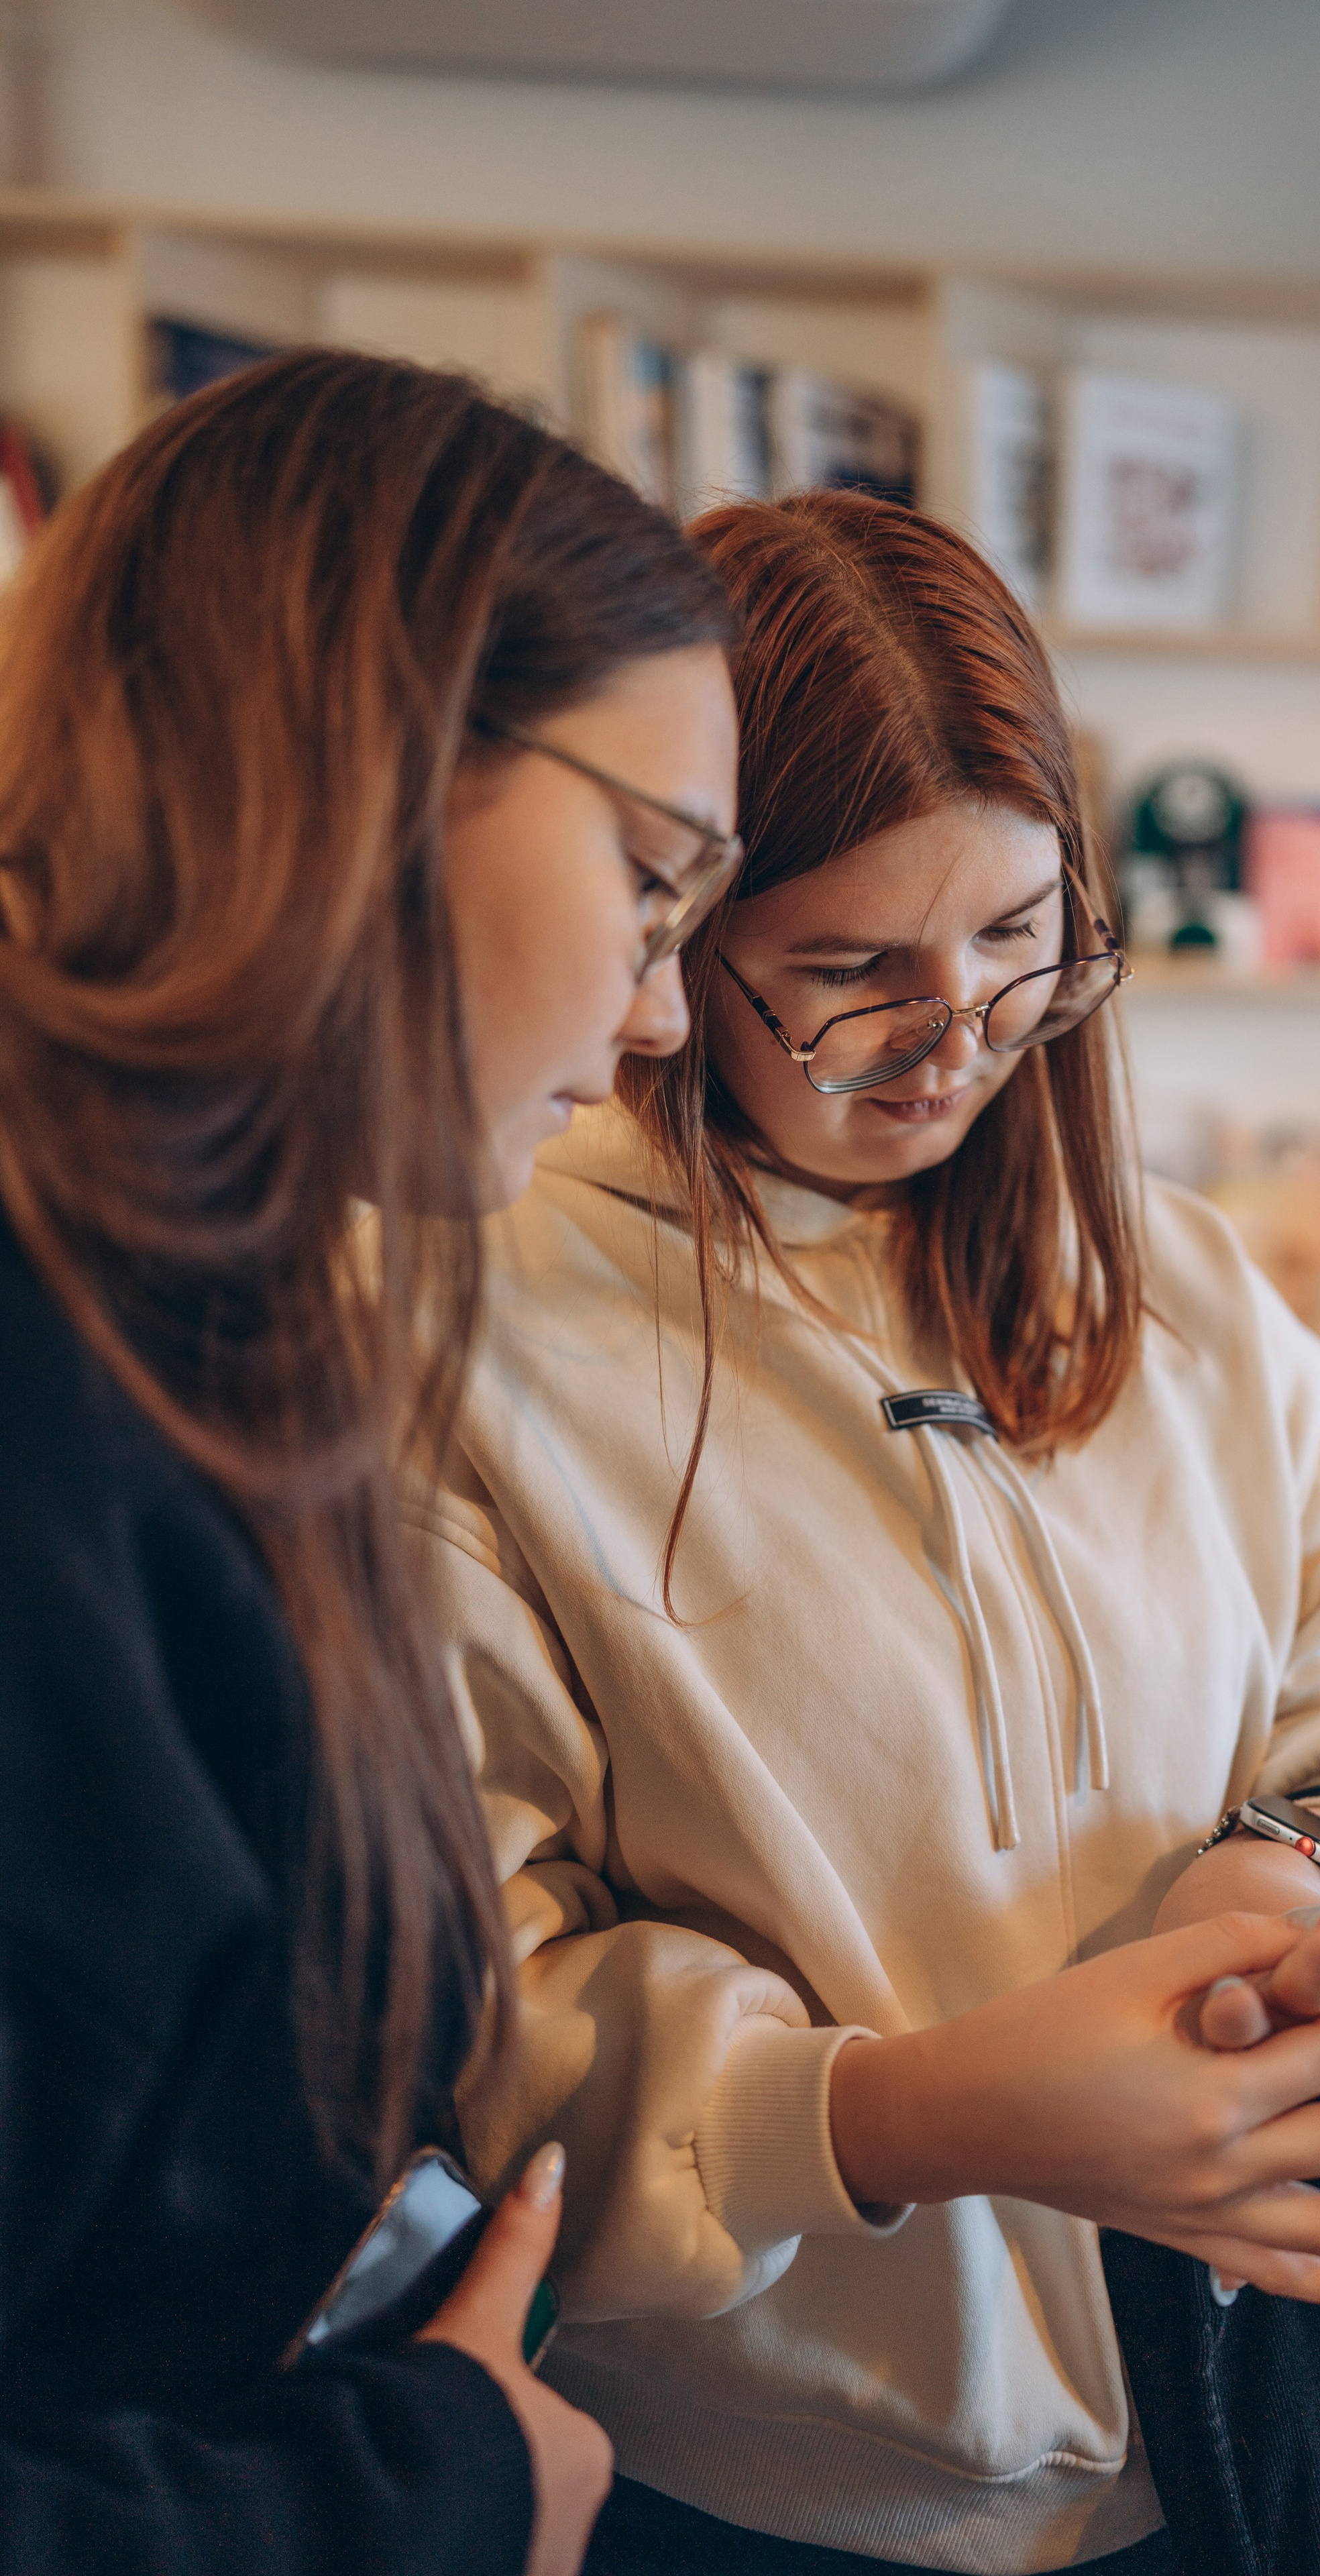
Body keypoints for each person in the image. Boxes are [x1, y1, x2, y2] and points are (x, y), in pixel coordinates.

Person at [414, 490, 1320, 2575]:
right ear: (675, 941)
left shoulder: (1174, 1278)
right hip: (745, 2500)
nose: (958, 1042)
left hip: (1247, 2430)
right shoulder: (473, 1328)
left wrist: (1312, 1861)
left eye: (1021, 937)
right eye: (849, 972)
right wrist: (901, 2114)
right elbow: (474, 2002)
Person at [0, 347, 744, 2575]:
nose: (663, 1014)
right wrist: (417, 2491)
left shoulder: (201, 1329)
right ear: (386, 741)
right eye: (652, 878)